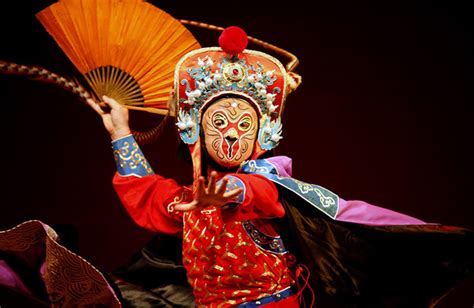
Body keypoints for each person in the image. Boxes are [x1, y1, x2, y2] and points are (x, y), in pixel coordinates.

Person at [85, 26, 474, 308]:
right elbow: (146, 190)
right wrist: (120, 129)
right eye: (218, 123)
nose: (231, 135)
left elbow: (256, 193)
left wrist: (231, 191)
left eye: (243, 124)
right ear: (196, 132)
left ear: (261, 134)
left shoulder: (268, 187)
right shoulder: (190, 201)